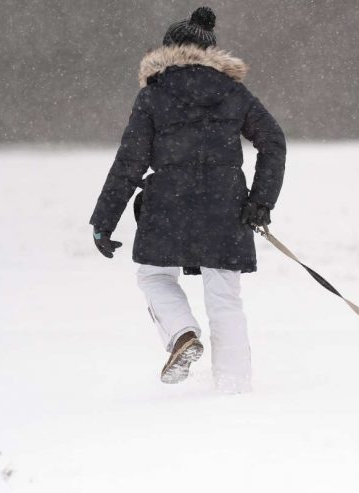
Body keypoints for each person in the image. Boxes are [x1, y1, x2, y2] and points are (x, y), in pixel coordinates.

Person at [89, 6, 286, 393]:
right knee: (224, 296)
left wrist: (104, 219)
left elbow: (130, 161)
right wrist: (261, 201)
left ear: (168, 49)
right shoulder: (233, 92)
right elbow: (273, 141)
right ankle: (234, 387)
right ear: (210, 51)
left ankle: (181, 334)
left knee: (155, 275)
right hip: (225, 205)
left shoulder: (154, 95)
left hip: (167, 205)